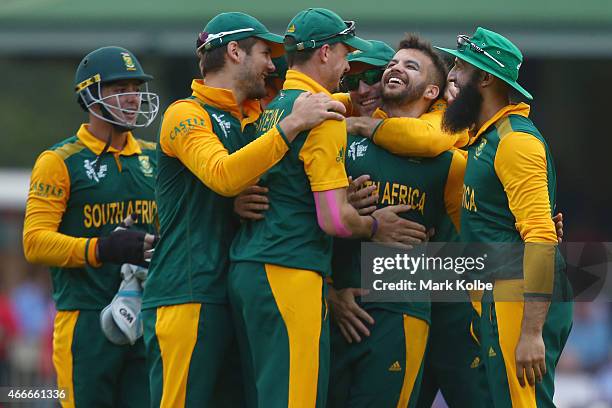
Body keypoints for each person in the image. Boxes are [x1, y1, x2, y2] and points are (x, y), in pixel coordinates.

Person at [141, 11, 348, 407]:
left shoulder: (248, 118)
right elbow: (222, 175)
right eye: (264, 54)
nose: (273, 65)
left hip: (230, 291)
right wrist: (291, 126)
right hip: (187, 293)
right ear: (234, 52)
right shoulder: (185, 114)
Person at [228, 8, 428, 407]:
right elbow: (334, 218)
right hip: (290, 268)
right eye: (345, 56)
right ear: (324, 53)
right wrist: (375, 226)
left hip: (252, 268)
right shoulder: (321, 114)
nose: (348, 67)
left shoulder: (276, 108)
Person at [326, 35, 488, 408]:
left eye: (410, 66)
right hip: (338, 311)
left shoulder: (450, 158)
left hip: (411, 311)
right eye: (393, 64)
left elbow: (482, 241)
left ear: (434, 90)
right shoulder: (341, 136)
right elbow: (304, 220)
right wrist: (330, 287)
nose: (396, 68)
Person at [437, 27, 573, 407]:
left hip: (518, 296)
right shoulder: (486, 137)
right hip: (499, 297)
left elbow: (542, 239)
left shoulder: (515, 142)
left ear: (484, 77)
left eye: (460, 67)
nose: (450, 75)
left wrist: (531, 333)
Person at [23, 46, 159, 407]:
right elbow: (35, 243)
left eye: (135, 87)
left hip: (146, 316)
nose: (132, 98)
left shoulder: (155, 157)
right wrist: (101, 248)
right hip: (84, 320)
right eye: (120, 89)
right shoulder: (59, 161)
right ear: (91, 95)